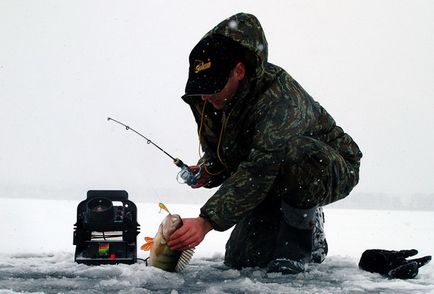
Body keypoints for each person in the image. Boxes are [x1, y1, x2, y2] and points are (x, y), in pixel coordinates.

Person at [167, 12, 362, 274]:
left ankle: (305, 232)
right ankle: (285, 214)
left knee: (294, 152)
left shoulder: (280, 99)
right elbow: (228, 153)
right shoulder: (211, 100)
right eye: (202, 88)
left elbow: (260, 167)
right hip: (269, 173)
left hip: (325, 167)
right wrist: (208, 169)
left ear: (239, 71)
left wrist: (206, 220)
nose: (206, 96)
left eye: (213, 87)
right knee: (242, 259)